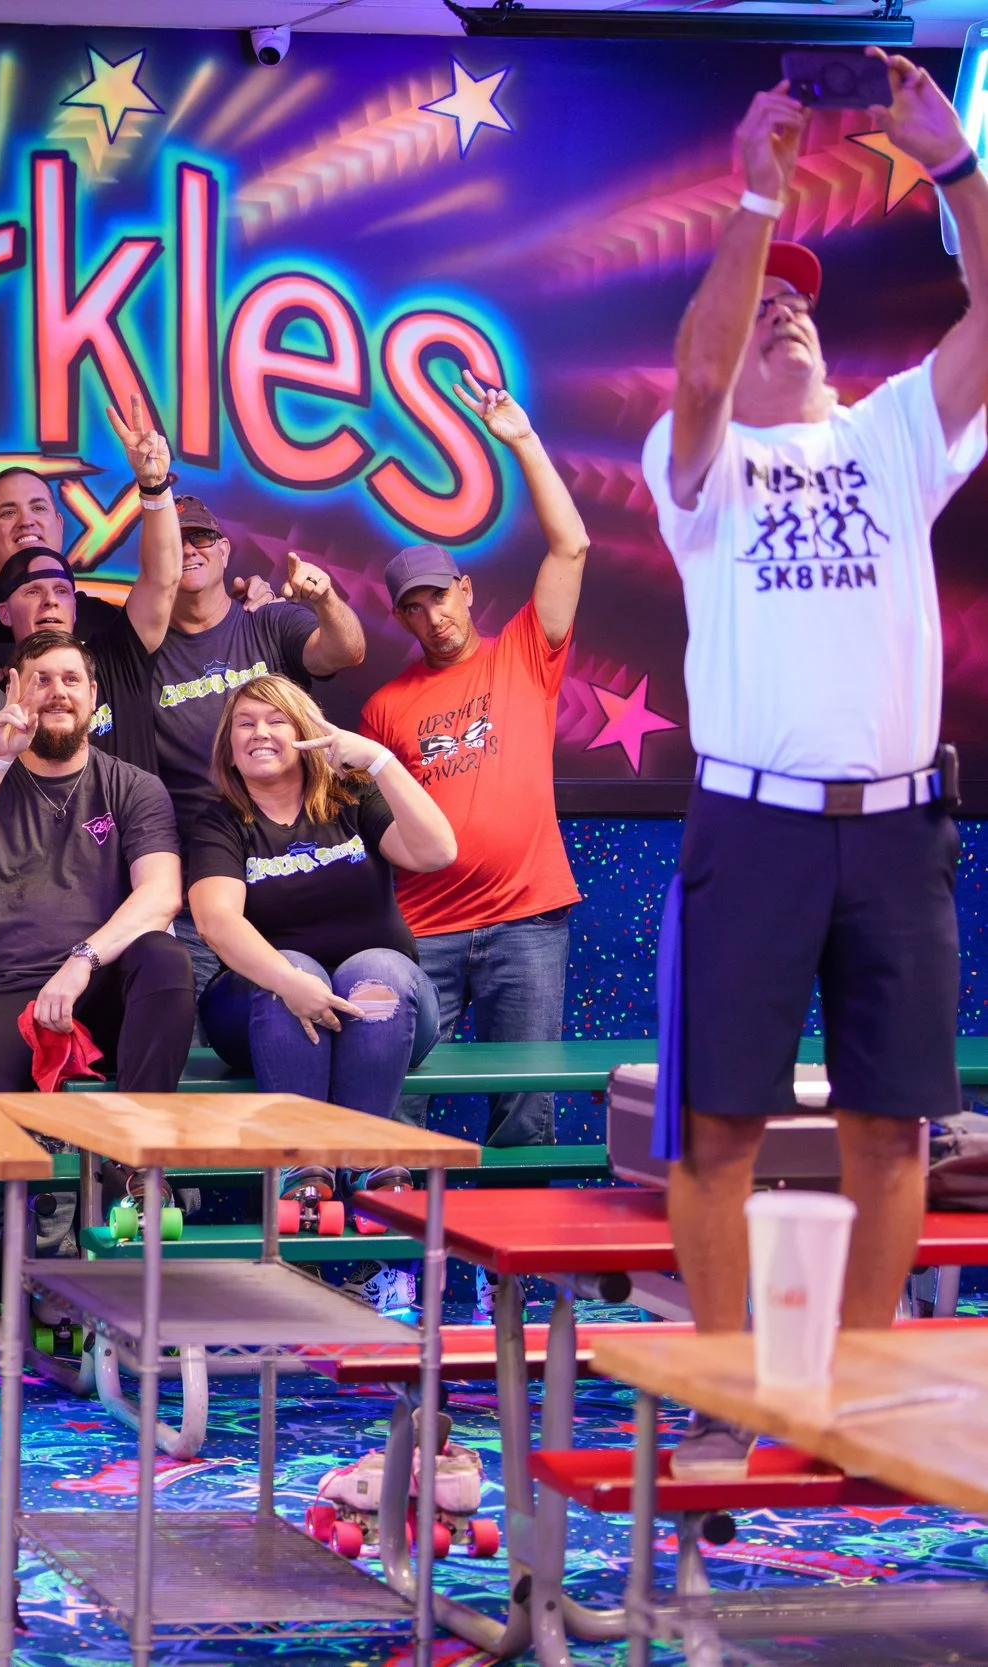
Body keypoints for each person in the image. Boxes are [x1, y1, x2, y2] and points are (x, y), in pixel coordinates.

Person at [639, 56, 985, 1477]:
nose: (783, 309)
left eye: (800, 301)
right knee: (720, 1116)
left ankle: (844, 1394)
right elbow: (706, 363)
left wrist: (956, 168)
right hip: (756, 823)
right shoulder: (695, 464)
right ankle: (734, 1386)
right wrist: (759, 197)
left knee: (892, 1116)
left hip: (898, 830)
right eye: (760, 297)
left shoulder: (895, 432)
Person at [361, 376, 590, 1150]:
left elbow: (572, 545)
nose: (433, 615)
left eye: (441, 595)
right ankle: (394, 1268)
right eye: (414, 606)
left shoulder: (524, 651)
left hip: (526, 920)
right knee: (399, 1100)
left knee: (526, 1110)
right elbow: (379, 828)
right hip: (425, 930)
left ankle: (514, 1277)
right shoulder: (385, 707)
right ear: (402, 616)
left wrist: (521, 441)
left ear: (466, 589)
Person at [185, 676, 457, 1314]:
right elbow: (216, 921)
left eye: (276, 721)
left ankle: (362, 1166)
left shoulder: (352, 798)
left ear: (306, 734)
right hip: (264, 1006)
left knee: (378, 971)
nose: (260, 734)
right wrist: (293, 984)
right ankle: (303, 1175)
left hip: (383, 1013)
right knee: (293, 964)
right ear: (228, 746)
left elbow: (437, 850)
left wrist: (382, 763)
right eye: (245, 723)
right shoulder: (221, 819)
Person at [0, 631, 196, 1097]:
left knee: (165, 958)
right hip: (7, 988)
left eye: (71, 679)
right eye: (41, 680)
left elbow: (161, 894)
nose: (58, 692)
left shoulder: (134, 786)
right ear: (13, 690)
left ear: (92, 695)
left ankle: (134, 1161)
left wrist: (82, 960)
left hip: (103, 981)